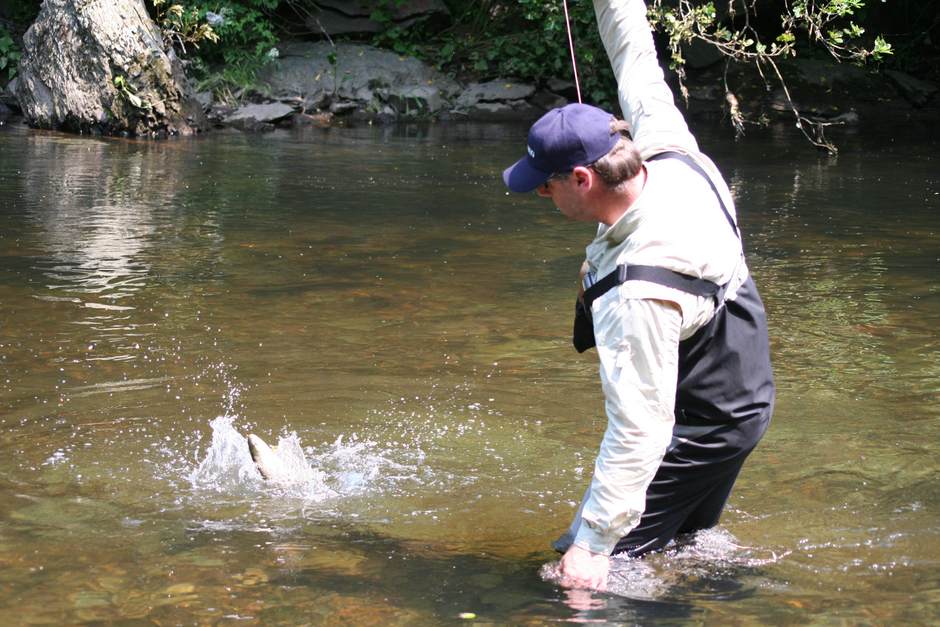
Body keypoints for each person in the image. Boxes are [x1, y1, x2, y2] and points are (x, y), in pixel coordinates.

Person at [502, 0, 775, 590]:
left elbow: (639, 428)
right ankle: (725, 589)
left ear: (582, 178)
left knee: (576, 579)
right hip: (733, 383)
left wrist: (593, 542)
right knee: (680, 553)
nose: (542, 198)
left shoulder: (639, 291)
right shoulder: (670, 153)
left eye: (545, 186)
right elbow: (636, 59)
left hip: (706, 421)